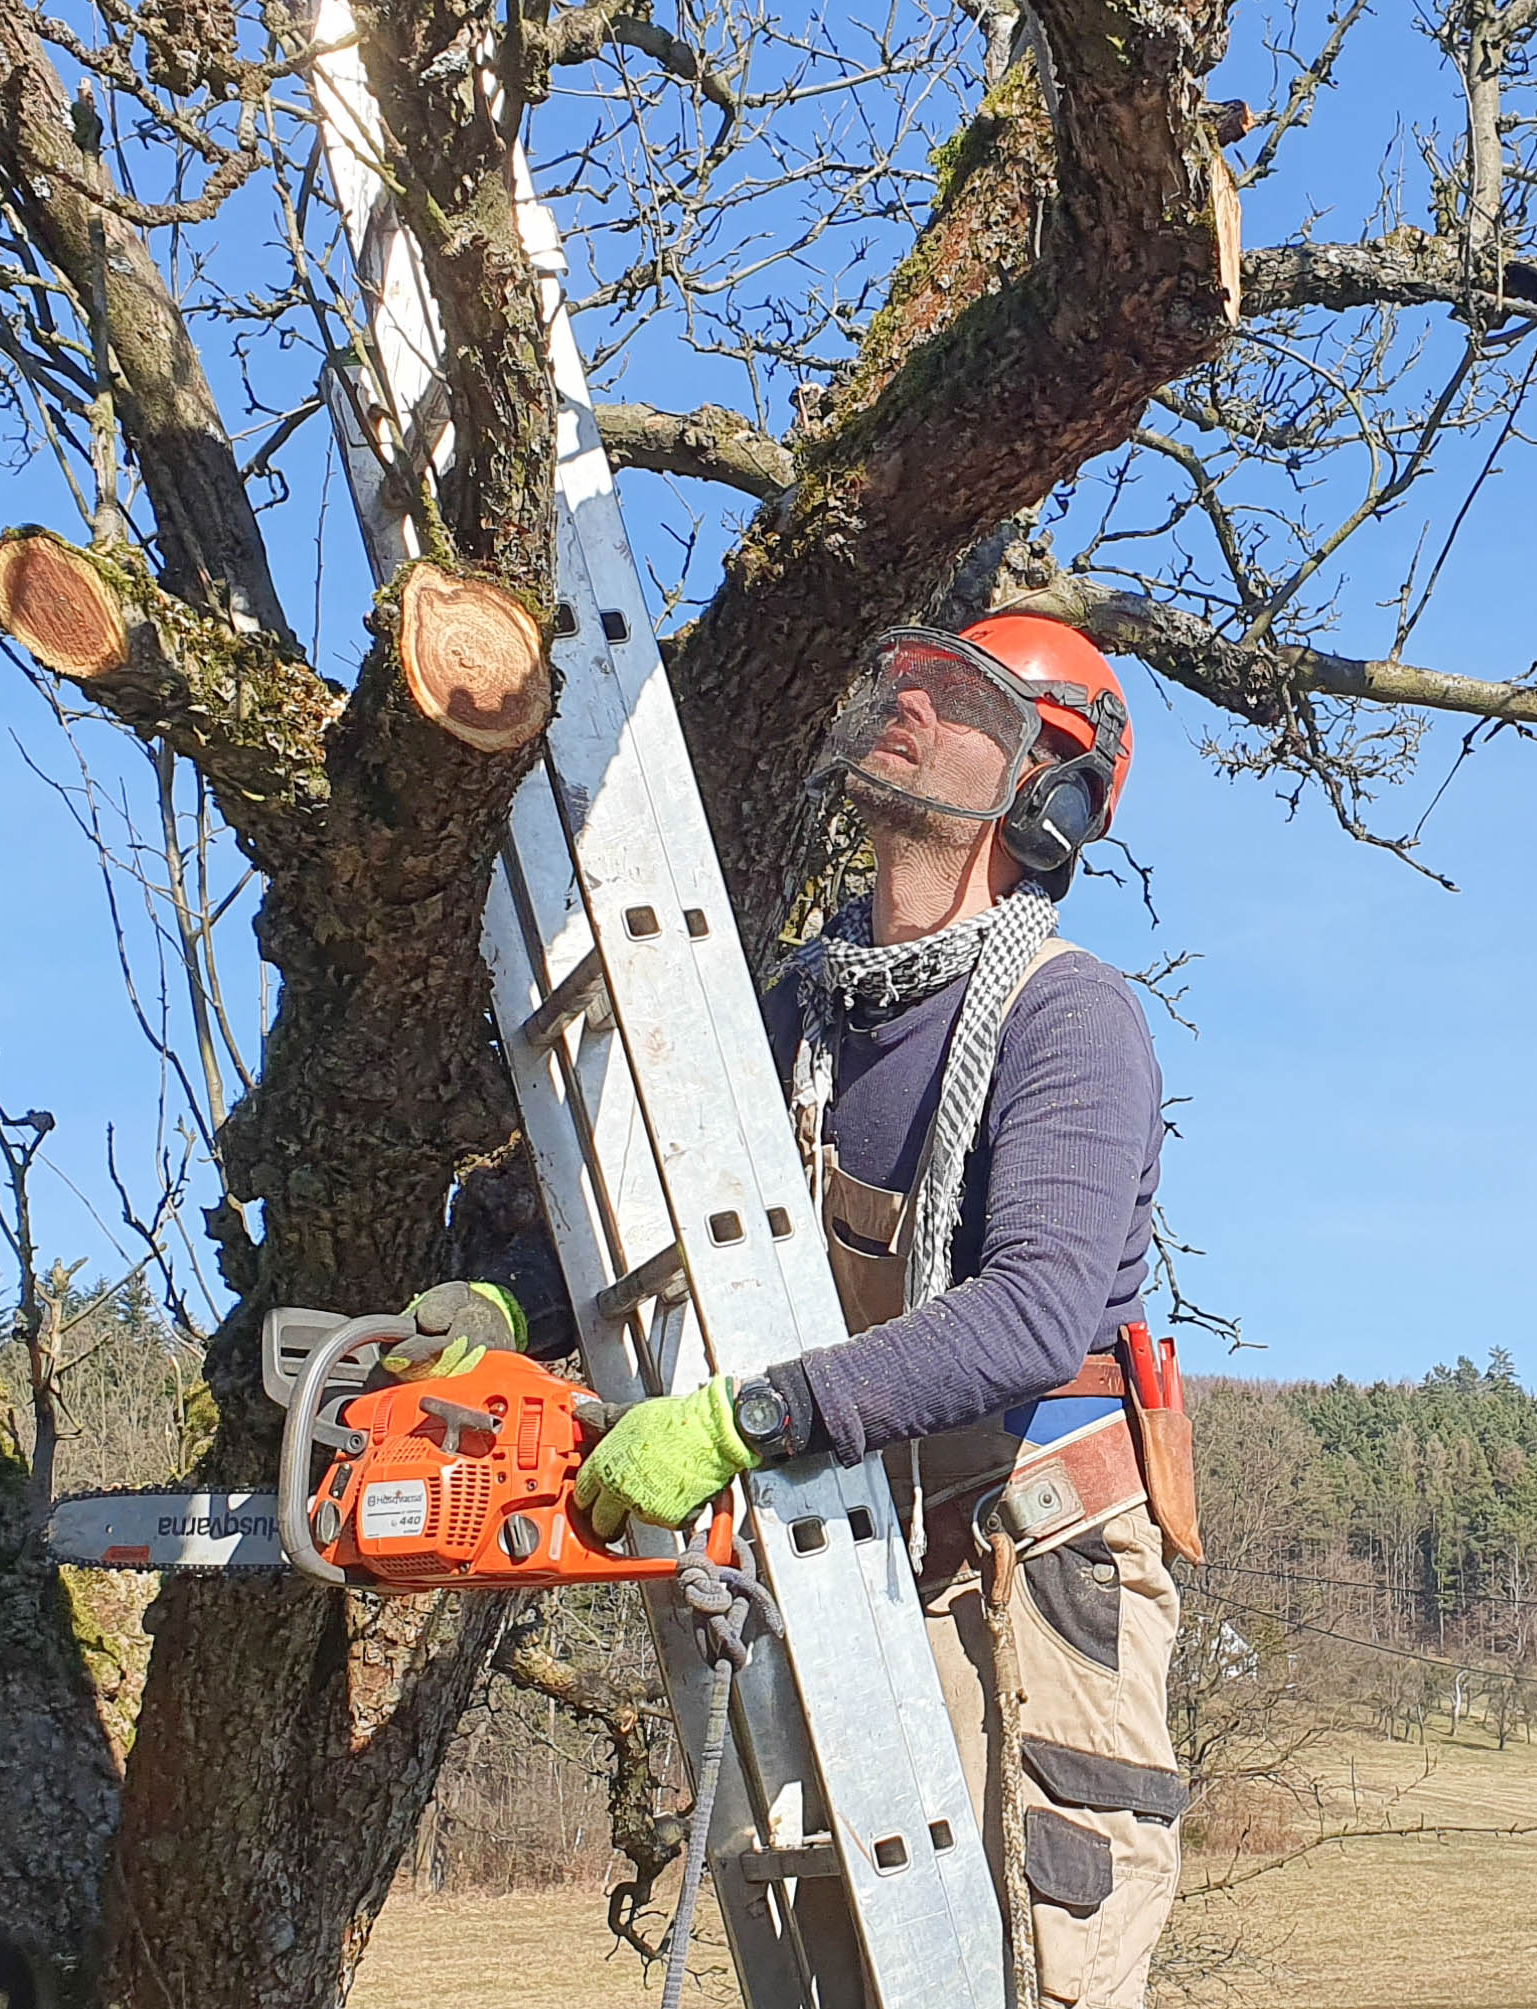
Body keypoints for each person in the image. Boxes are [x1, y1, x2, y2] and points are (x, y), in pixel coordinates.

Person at [565, 614, 1197, 2008]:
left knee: (1033, 1976)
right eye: (899, 682)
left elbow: (1032, 1312)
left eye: (951, 699)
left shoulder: (1068, 1017)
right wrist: (499, 1295)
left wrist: (755, 1413)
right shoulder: (803, 1008)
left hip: (1025, 1580)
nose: (903, 707)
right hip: (855, 1554)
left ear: (1046, 790)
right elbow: (665, 1192)